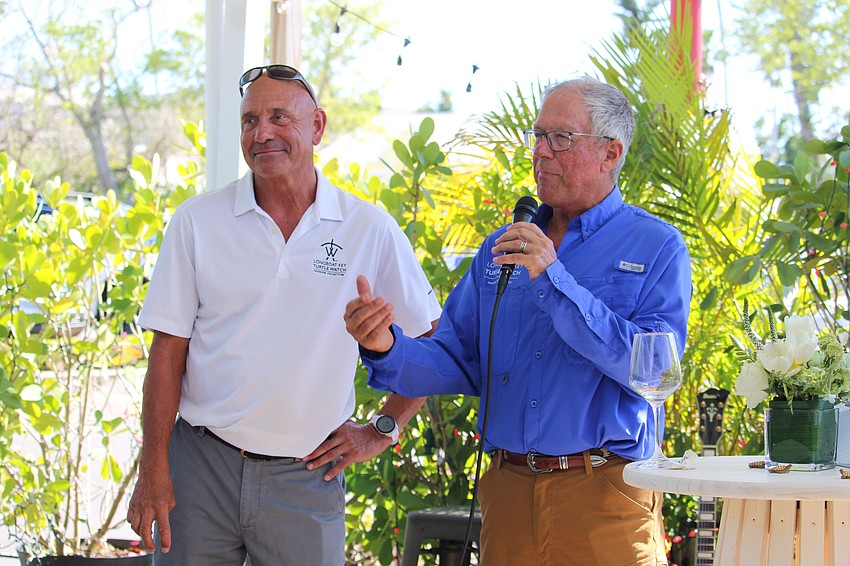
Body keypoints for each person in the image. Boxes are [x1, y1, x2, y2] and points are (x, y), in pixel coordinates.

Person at [345, 77, 692, 565]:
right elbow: (456, 356)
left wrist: (552, 279)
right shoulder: (500, 247)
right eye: (538, 135)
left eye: (561, 138)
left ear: (611, 153)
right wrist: (385, 345)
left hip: (605, 496)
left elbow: (653, 369)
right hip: (508, 495)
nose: (542, 152)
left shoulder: (656, 247)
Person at [126, 65, 441, 566]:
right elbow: (167, 354)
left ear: (317, 126)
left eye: (278, 117)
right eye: (250, 120)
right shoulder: (197, 221)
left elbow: (433, 343)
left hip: (307, 475)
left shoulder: (369, 229)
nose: (262, 133)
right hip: (201, 468)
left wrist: (382, 429)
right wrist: (154, 467)